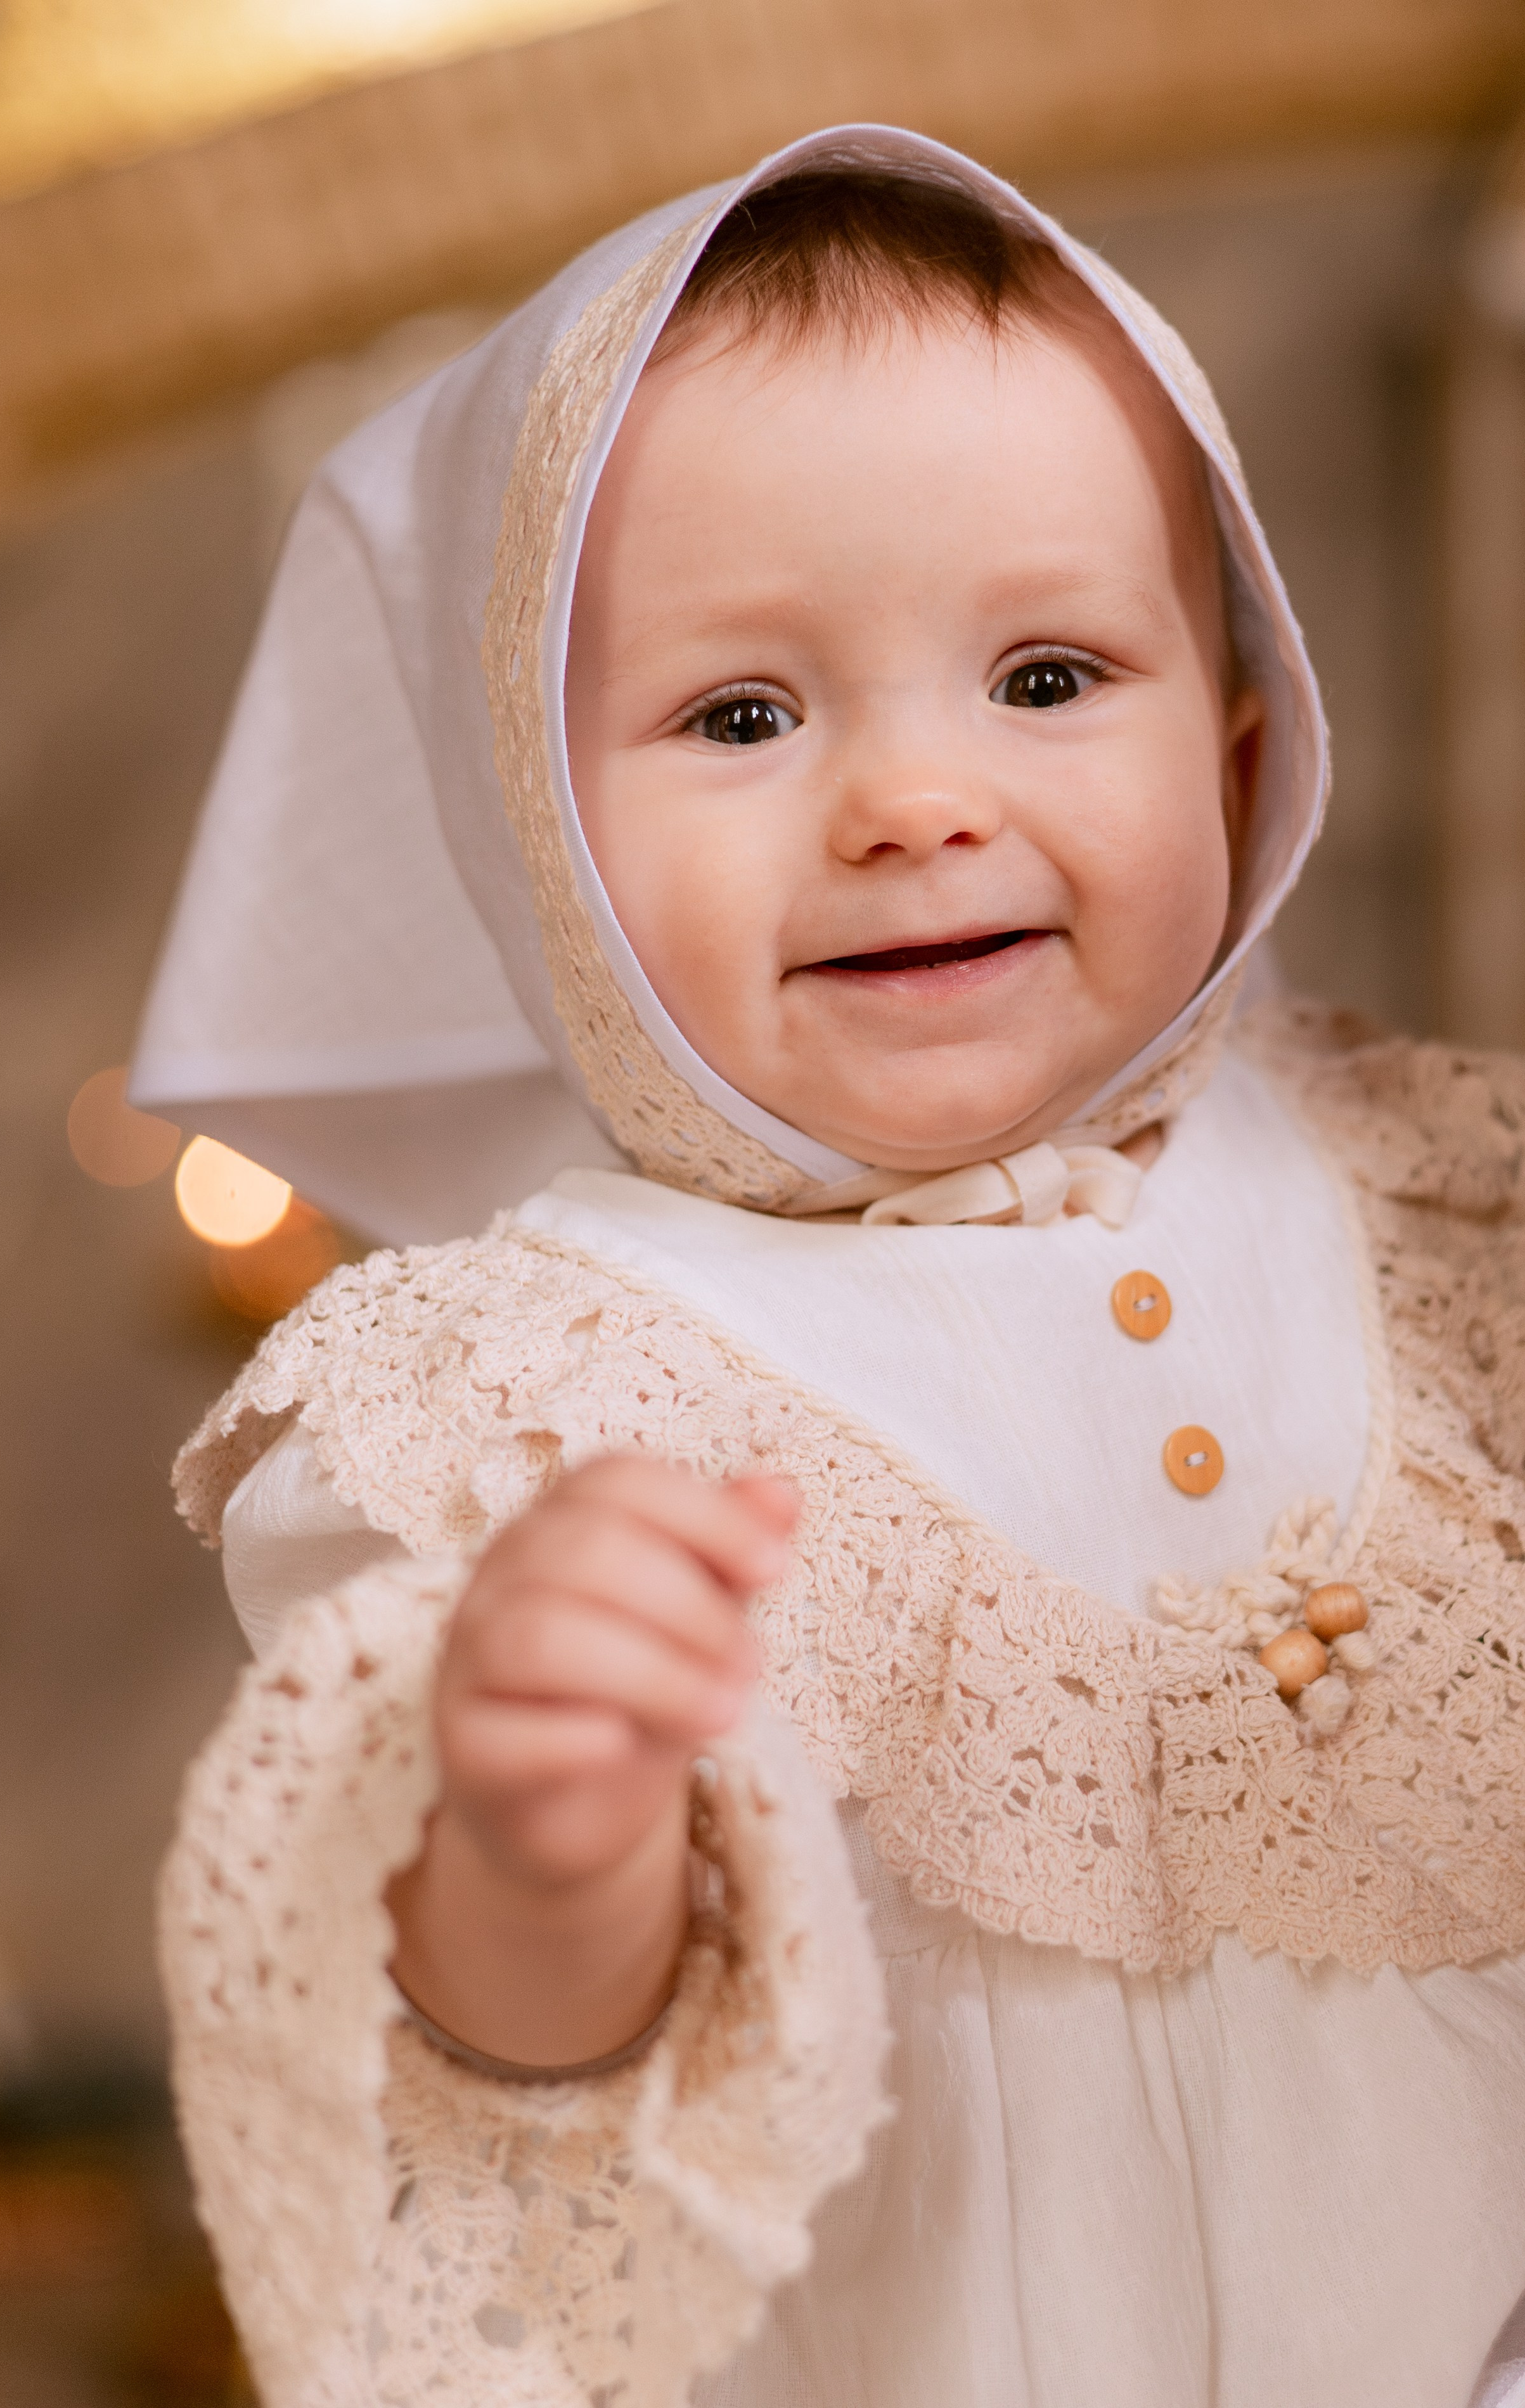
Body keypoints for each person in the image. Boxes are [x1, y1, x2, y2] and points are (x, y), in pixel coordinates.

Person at [136, 127, 1525, 2408]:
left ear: (1250, 753)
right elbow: (514, 2100)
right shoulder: (540, 1401)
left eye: (1053, 675)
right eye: (745, 717)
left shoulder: (1442, 1200)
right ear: (543, 863)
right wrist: (542, 1834)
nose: (915, 801)